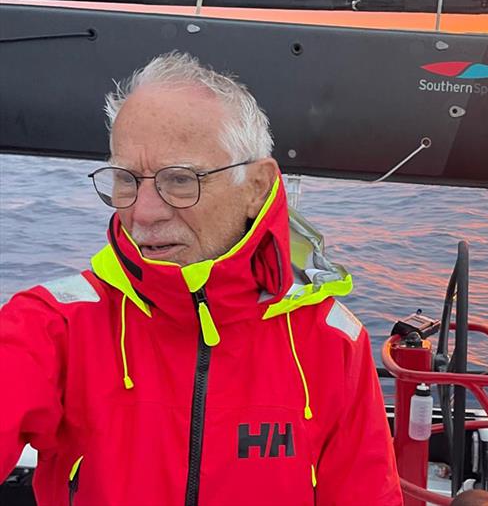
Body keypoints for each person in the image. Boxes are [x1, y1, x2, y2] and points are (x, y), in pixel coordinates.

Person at [0, 52, 402, 505]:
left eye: (179, 180)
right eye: (127, 180)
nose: (143, 213)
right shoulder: (53, 327)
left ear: (255, 188)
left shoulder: (330, 343)